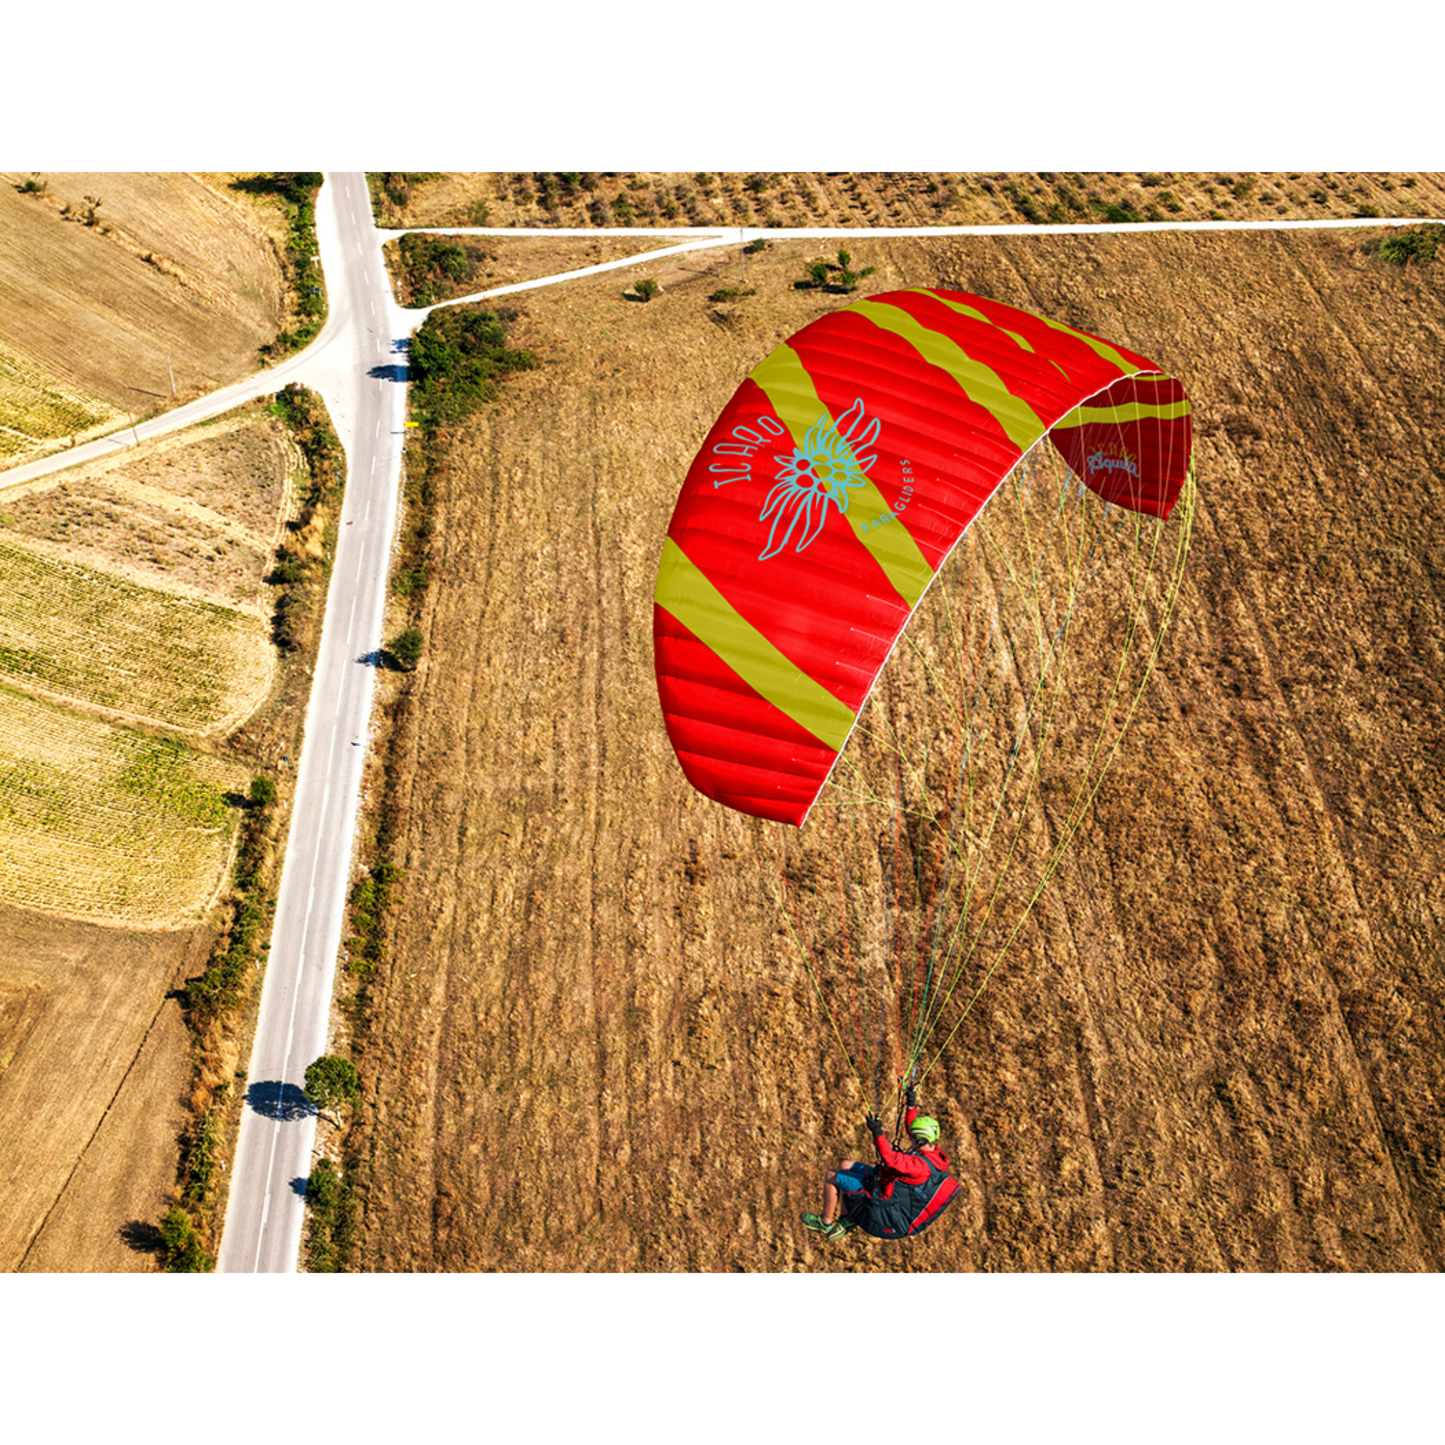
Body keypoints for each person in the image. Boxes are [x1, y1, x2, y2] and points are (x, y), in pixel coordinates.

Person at [802, 1086, 958, 1242]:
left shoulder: (919, 1167)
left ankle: (825, 1222)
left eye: (913, 1138)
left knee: (832, 1176)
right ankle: (846, 1219)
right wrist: (911, 1105)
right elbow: (913, 1129)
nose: (910, 1139)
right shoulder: (931, 1152)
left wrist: (878, 1134)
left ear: (920, 1140)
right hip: (885, 1182)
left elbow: (890, 1159)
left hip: (884, 1206)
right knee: (845, 1165)